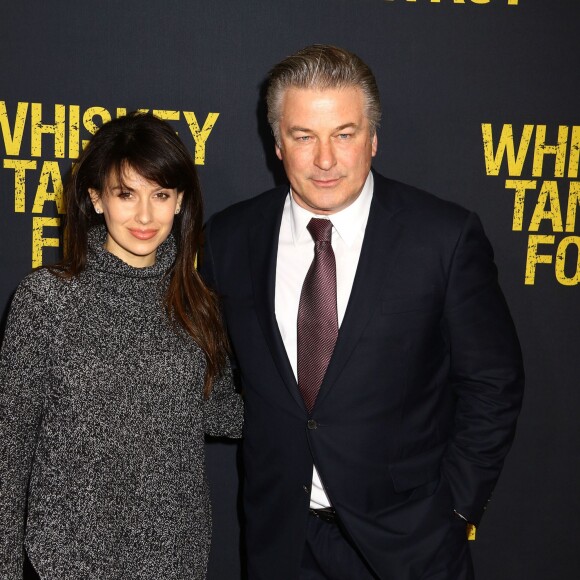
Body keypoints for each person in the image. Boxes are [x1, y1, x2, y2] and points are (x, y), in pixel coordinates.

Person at [201, 45, 524, 579]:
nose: (324, 160)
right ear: (277, 143)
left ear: (373, 139)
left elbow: (493, 381)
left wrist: (457, 509)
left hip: (410, 544)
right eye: (304, 136)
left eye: (344, 135)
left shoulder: (442, 237)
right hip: (279, 540)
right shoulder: (230, 239)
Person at [0, 112, 243, 579]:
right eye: (126, 194)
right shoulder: (47, 299)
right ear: (96, 198)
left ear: (180, 202)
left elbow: (216, 413)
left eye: (161, 195)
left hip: (173, 559)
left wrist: (304, 399)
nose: (146, 216)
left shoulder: (200, 303)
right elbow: (10, 451)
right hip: (64, 562)